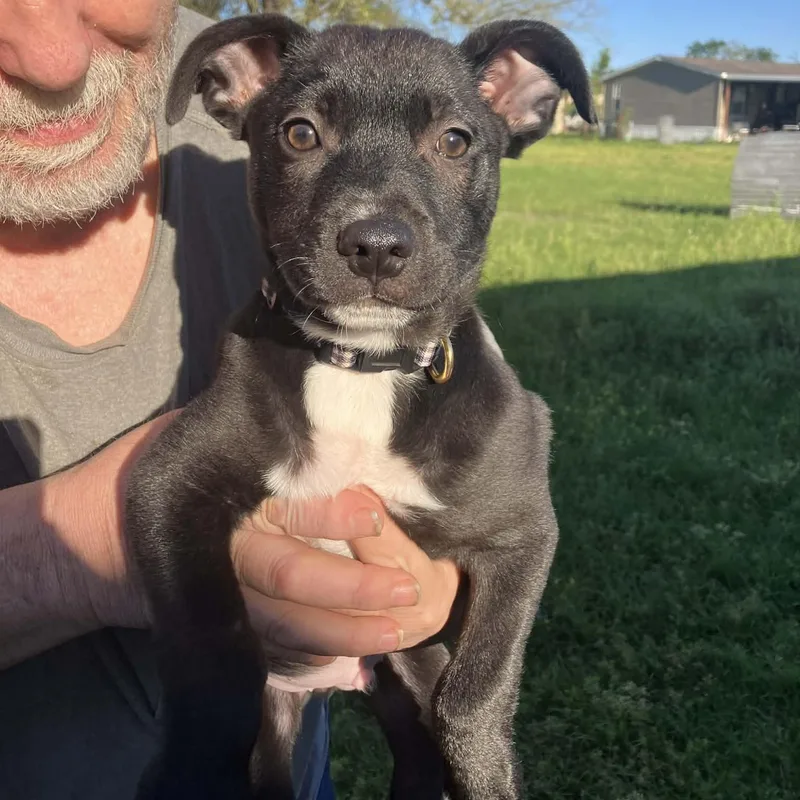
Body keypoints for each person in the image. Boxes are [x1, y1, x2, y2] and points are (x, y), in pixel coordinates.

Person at [0, 3, 460, 798]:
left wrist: (429, 570)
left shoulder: (265, 75)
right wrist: (93, 543)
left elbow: (436, 365)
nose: (53, 59)